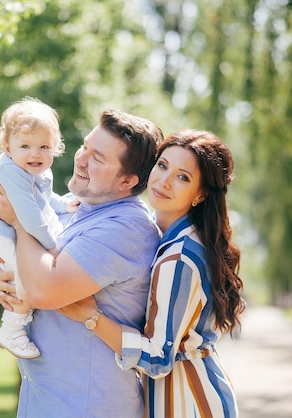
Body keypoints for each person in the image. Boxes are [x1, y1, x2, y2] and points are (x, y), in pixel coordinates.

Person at [0, 109, 164, 417]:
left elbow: (44, 290)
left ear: (127, 180)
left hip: (85, 403)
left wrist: (18, 220)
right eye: (85, 146)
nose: (81, 159)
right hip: (45, 399)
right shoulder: (73, 209)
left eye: (98, 158)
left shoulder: (126, 228)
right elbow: (19, 265)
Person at [60, 129, 246, 418]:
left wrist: (91, 317)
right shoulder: (173, 238)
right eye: (162, 165)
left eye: (182, 177)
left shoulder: (179, 257)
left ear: (200, 194)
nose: (164, 181)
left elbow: (159, 358)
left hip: (188, 405)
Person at [0, 97, 77, 359]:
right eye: (24, 145)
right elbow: (28, 218)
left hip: (7, 227)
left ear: (55, 148)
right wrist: (53, 247)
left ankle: (16, 322)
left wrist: (65, 205)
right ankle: (11, 328)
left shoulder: (38, 171)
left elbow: (46, 198)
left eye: (44, 146)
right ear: (7, 148)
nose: (34, 153)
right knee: (26, 273)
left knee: (26, 268)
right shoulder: (12, 172)